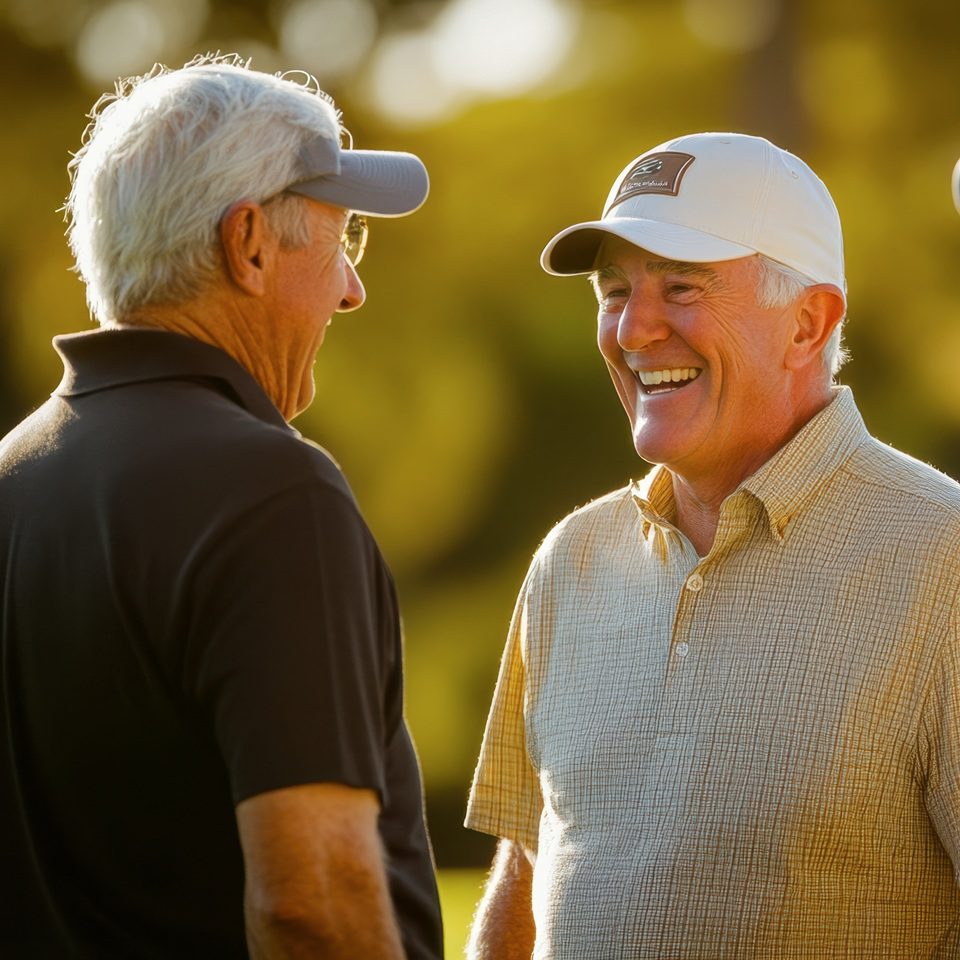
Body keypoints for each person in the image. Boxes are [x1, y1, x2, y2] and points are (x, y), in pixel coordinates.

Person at [465, 132, 960, 958]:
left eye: (683, 287)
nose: (634, 329)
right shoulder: (570, 559)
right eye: (613, 289)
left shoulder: (943, 555)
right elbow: (526, 868)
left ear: (809, 323)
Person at [0, 54, 442, 959]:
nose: (352, 288)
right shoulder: (275, 493)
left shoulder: (10, 477)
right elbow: (309, 901)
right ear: (247, 244)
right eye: (341, 239)